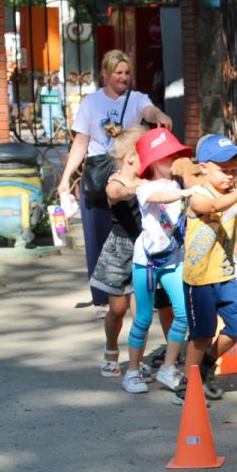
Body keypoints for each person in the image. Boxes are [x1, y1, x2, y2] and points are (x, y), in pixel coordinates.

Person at [57, 49, 173, 317]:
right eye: (118, 73)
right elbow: (81, 142)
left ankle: (138, 291)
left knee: (135, 232)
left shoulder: (136, 98)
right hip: (98, 174)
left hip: (129, 172)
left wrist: (159, 116)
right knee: (98, 236)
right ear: (105, 74)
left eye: (126, 72)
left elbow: (149, 110)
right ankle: (103, 298)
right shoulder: (90, 103)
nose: (123, 77)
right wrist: (65, 178)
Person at [173, 135, 237, 406]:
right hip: (199, 280)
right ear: (204, 167)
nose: (230, 176)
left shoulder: (231, 192)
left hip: (225, 274)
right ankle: (187, 384)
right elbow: (209, 208)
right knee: (202, 334)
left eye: (234, 171)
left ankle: (206, 363)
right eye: (224, 170)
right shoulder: (199, 194)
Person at [89, 126, 172, 378]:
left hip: (144, 250)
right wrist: (138, 188)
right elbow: (117, 193)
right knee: (117, 310)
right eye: (147, 156)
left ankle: (136, 360)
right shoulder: (116, 181)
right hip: (120, 249)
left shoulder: (149, 180)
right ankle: (111, 350)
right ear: (130, 157)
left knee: (141, 312)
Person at [122, 128, 195, 394]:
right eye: (166, 156)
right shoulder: (145, 187)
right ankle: (132, 371)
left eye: (175, 154)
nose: (173, 159)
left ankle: (167, 367)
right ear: (152, 161)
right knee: (142, 318)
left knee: (184, 314)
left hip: (174, 260)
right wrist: (186, 194)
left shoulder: (178, 184)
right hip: (147, 263)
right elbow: (157, 198)